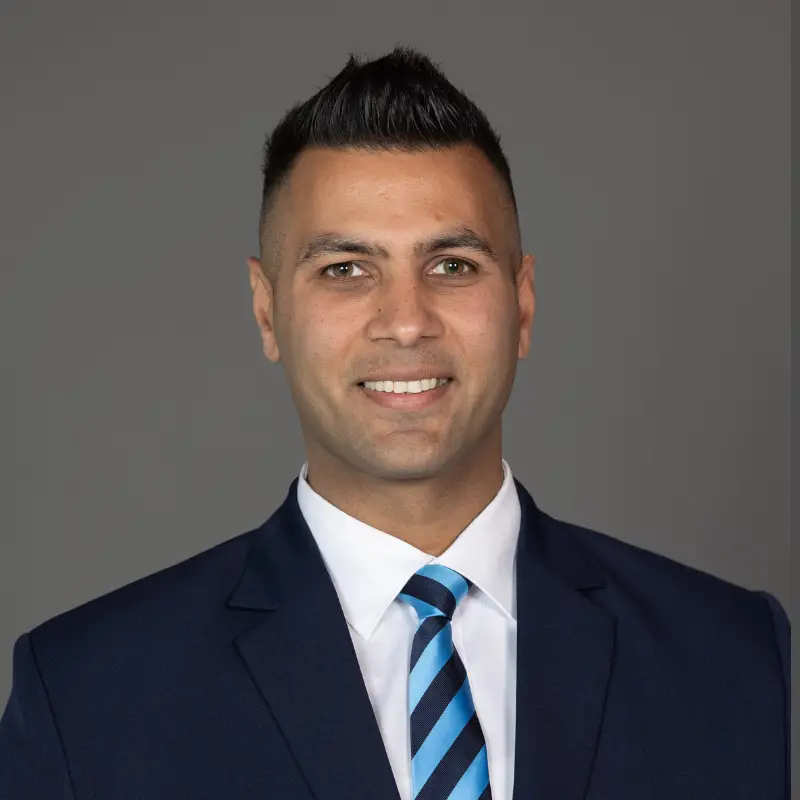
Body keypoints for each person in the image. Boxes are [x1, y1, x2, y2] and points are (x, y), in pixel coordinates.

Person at [0, 46, 789, 800]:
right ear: (267, 311)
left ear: (522, 303)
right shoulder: (85, 696)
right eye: (345, 270)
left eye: (452, 266)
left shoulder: (739, 658)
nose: (406, 322)